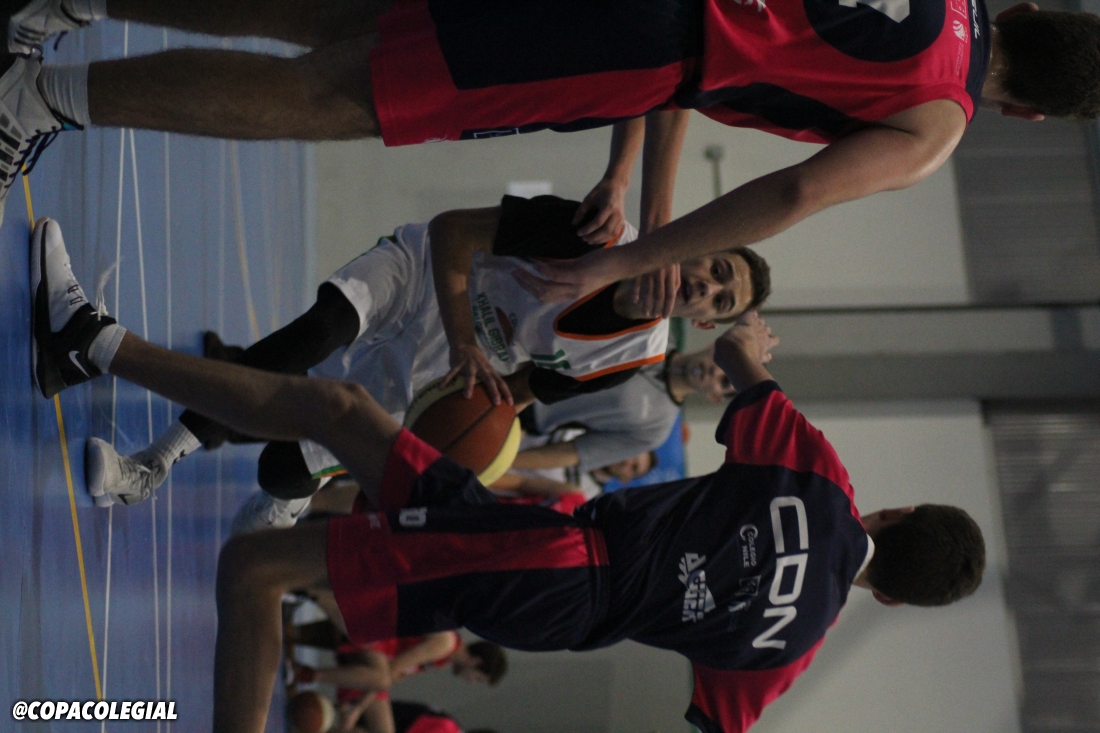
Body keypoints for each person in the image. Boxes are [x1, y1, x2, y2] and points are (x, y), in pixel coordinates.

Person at [33, 218, 986, 733]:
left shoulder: (822, 480)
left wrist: (750, 343)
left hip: (557, 561)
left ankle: (96, 348)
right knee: (341, 412)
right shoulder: (791, 650)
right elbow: (710, 719)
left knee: (255, 569)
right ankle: (90, 342)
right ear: (892, 597)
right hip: (554, 574)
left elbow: (740, 360)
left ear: (895, 510)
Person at [2, 0, 1097, 308]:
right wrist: (631, 260)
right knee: (334, 94)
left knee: (336, 14)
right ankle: (35, 94)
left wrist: (634, 186)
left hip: (655, 40)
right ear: (1033, 116)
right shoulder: (937, 119)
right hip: (638, 47)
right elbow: (795, 190)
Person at [75, 197, 769, 530]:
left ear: (707, 322)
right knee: (319, 330)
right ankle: (153, 463)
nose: (706, 287)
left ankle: (291, 496)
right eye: (716, 269)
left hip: (450, 366)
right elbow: (453, 230)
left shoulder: (632, 355)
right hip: (428, 275)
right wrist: (466, 336)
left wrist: (441, 439)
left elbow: (520, 391)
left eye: (721, 298)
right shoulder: (598, 230)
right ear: (698, 248)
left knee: (283, 465)